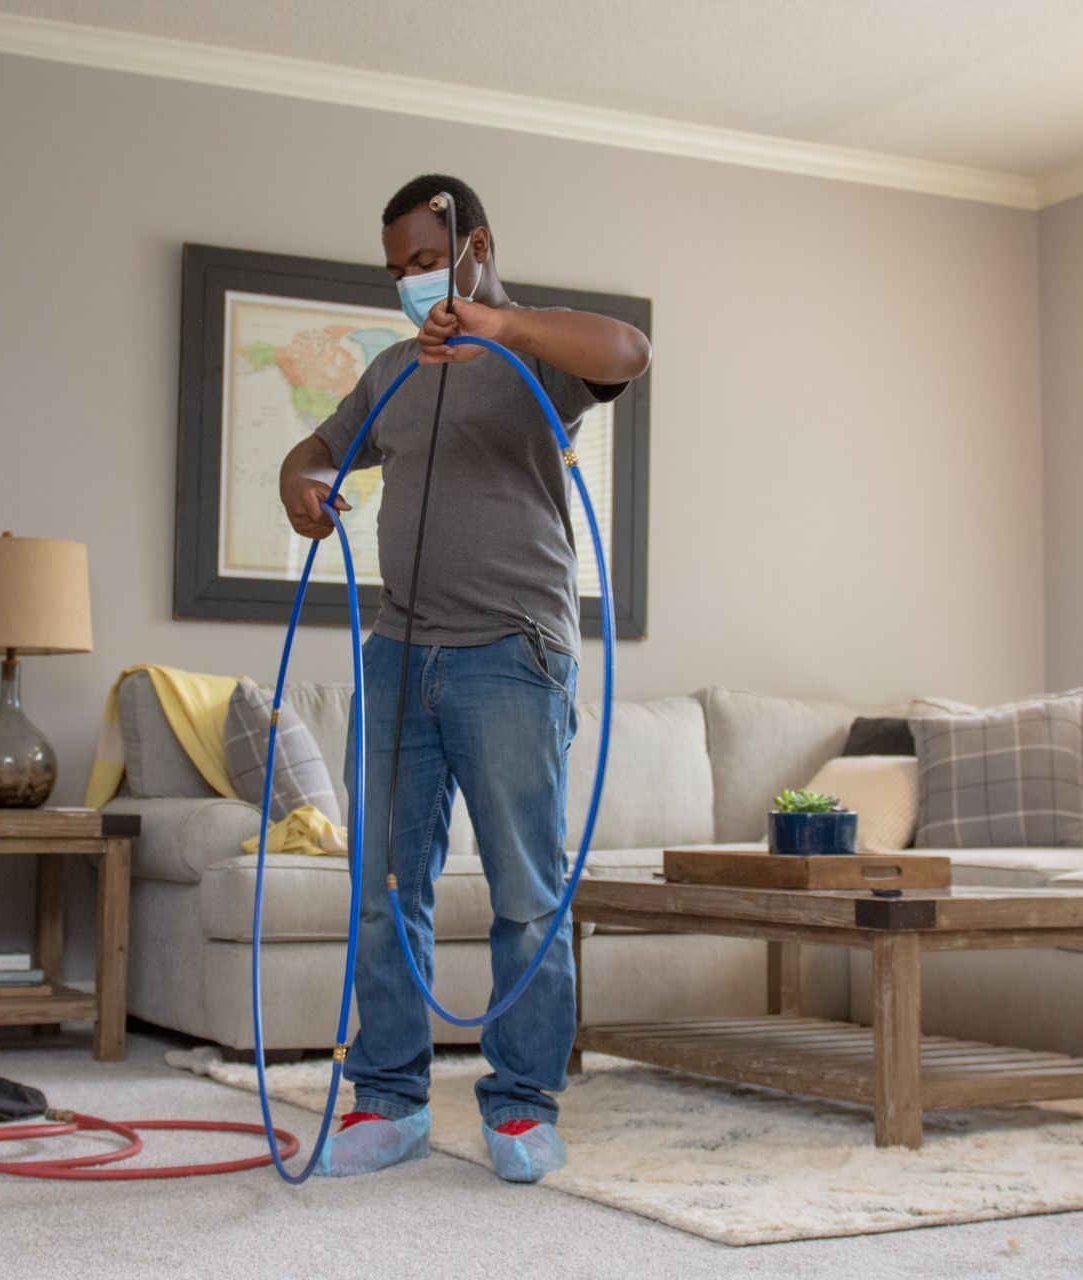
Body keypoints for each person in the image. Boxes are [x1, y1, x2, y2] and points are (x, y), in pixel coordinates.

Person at [276, 175, 651, 1183]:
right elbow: (316, 450)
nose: (408, 280)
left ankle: (523, 1106)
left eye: (424, 259)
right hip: (400, 652)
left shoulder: (533, 354)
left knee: (527, 892)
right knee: (383, 888)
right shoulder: (395, 367)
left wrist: (497, 320)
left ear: (474, 244)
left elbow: (629, 351)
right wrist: (303, 486)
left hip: (512, 652)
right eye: (396, 267)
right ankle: (388, 1100)